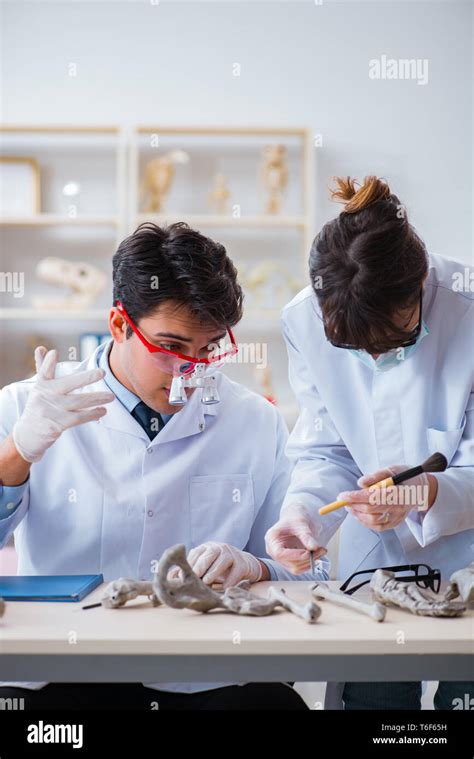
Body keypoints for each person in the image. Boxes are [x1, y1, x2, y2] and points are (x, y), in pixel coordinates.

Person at [0, 221, 327, 710]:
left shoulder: (254, 420)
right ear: (118, 325)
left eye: (209, 350)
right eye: (171, 349)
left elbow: (305, 569)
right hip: (68, 669)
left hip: (207, 674)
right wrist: (17, 454)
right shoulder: (29, 406)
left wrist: (255, 566)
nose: (190, 374)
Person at [265, 176, 474, 710]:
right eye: (355, 347)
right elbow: (324, 448)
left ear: (421, 281)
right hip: (374, 558)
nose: (376, 360)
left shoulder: (469, 306)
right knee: (373, 704)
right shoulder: (301, 319)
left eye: (395, 341)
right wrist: (304, 515)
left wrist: (425, 491)